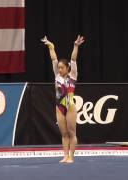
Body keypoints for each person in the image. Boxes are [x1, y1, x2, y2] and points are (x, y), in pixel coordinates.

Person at [41, 35, 85, 163]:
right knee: (64, 134)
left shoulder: (73, 75)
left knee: (72, 133)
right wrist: (50, 46)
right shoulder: (57, 76)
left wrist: (76, 46)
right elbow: (53, 58)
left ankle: (71, 156)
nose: (59, 69)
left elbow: (73, 59)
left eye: (62, 67)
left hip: (70, 106)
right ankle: (65, 155)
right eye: (58, 68)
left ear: (67, 68)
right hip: (59, 107)